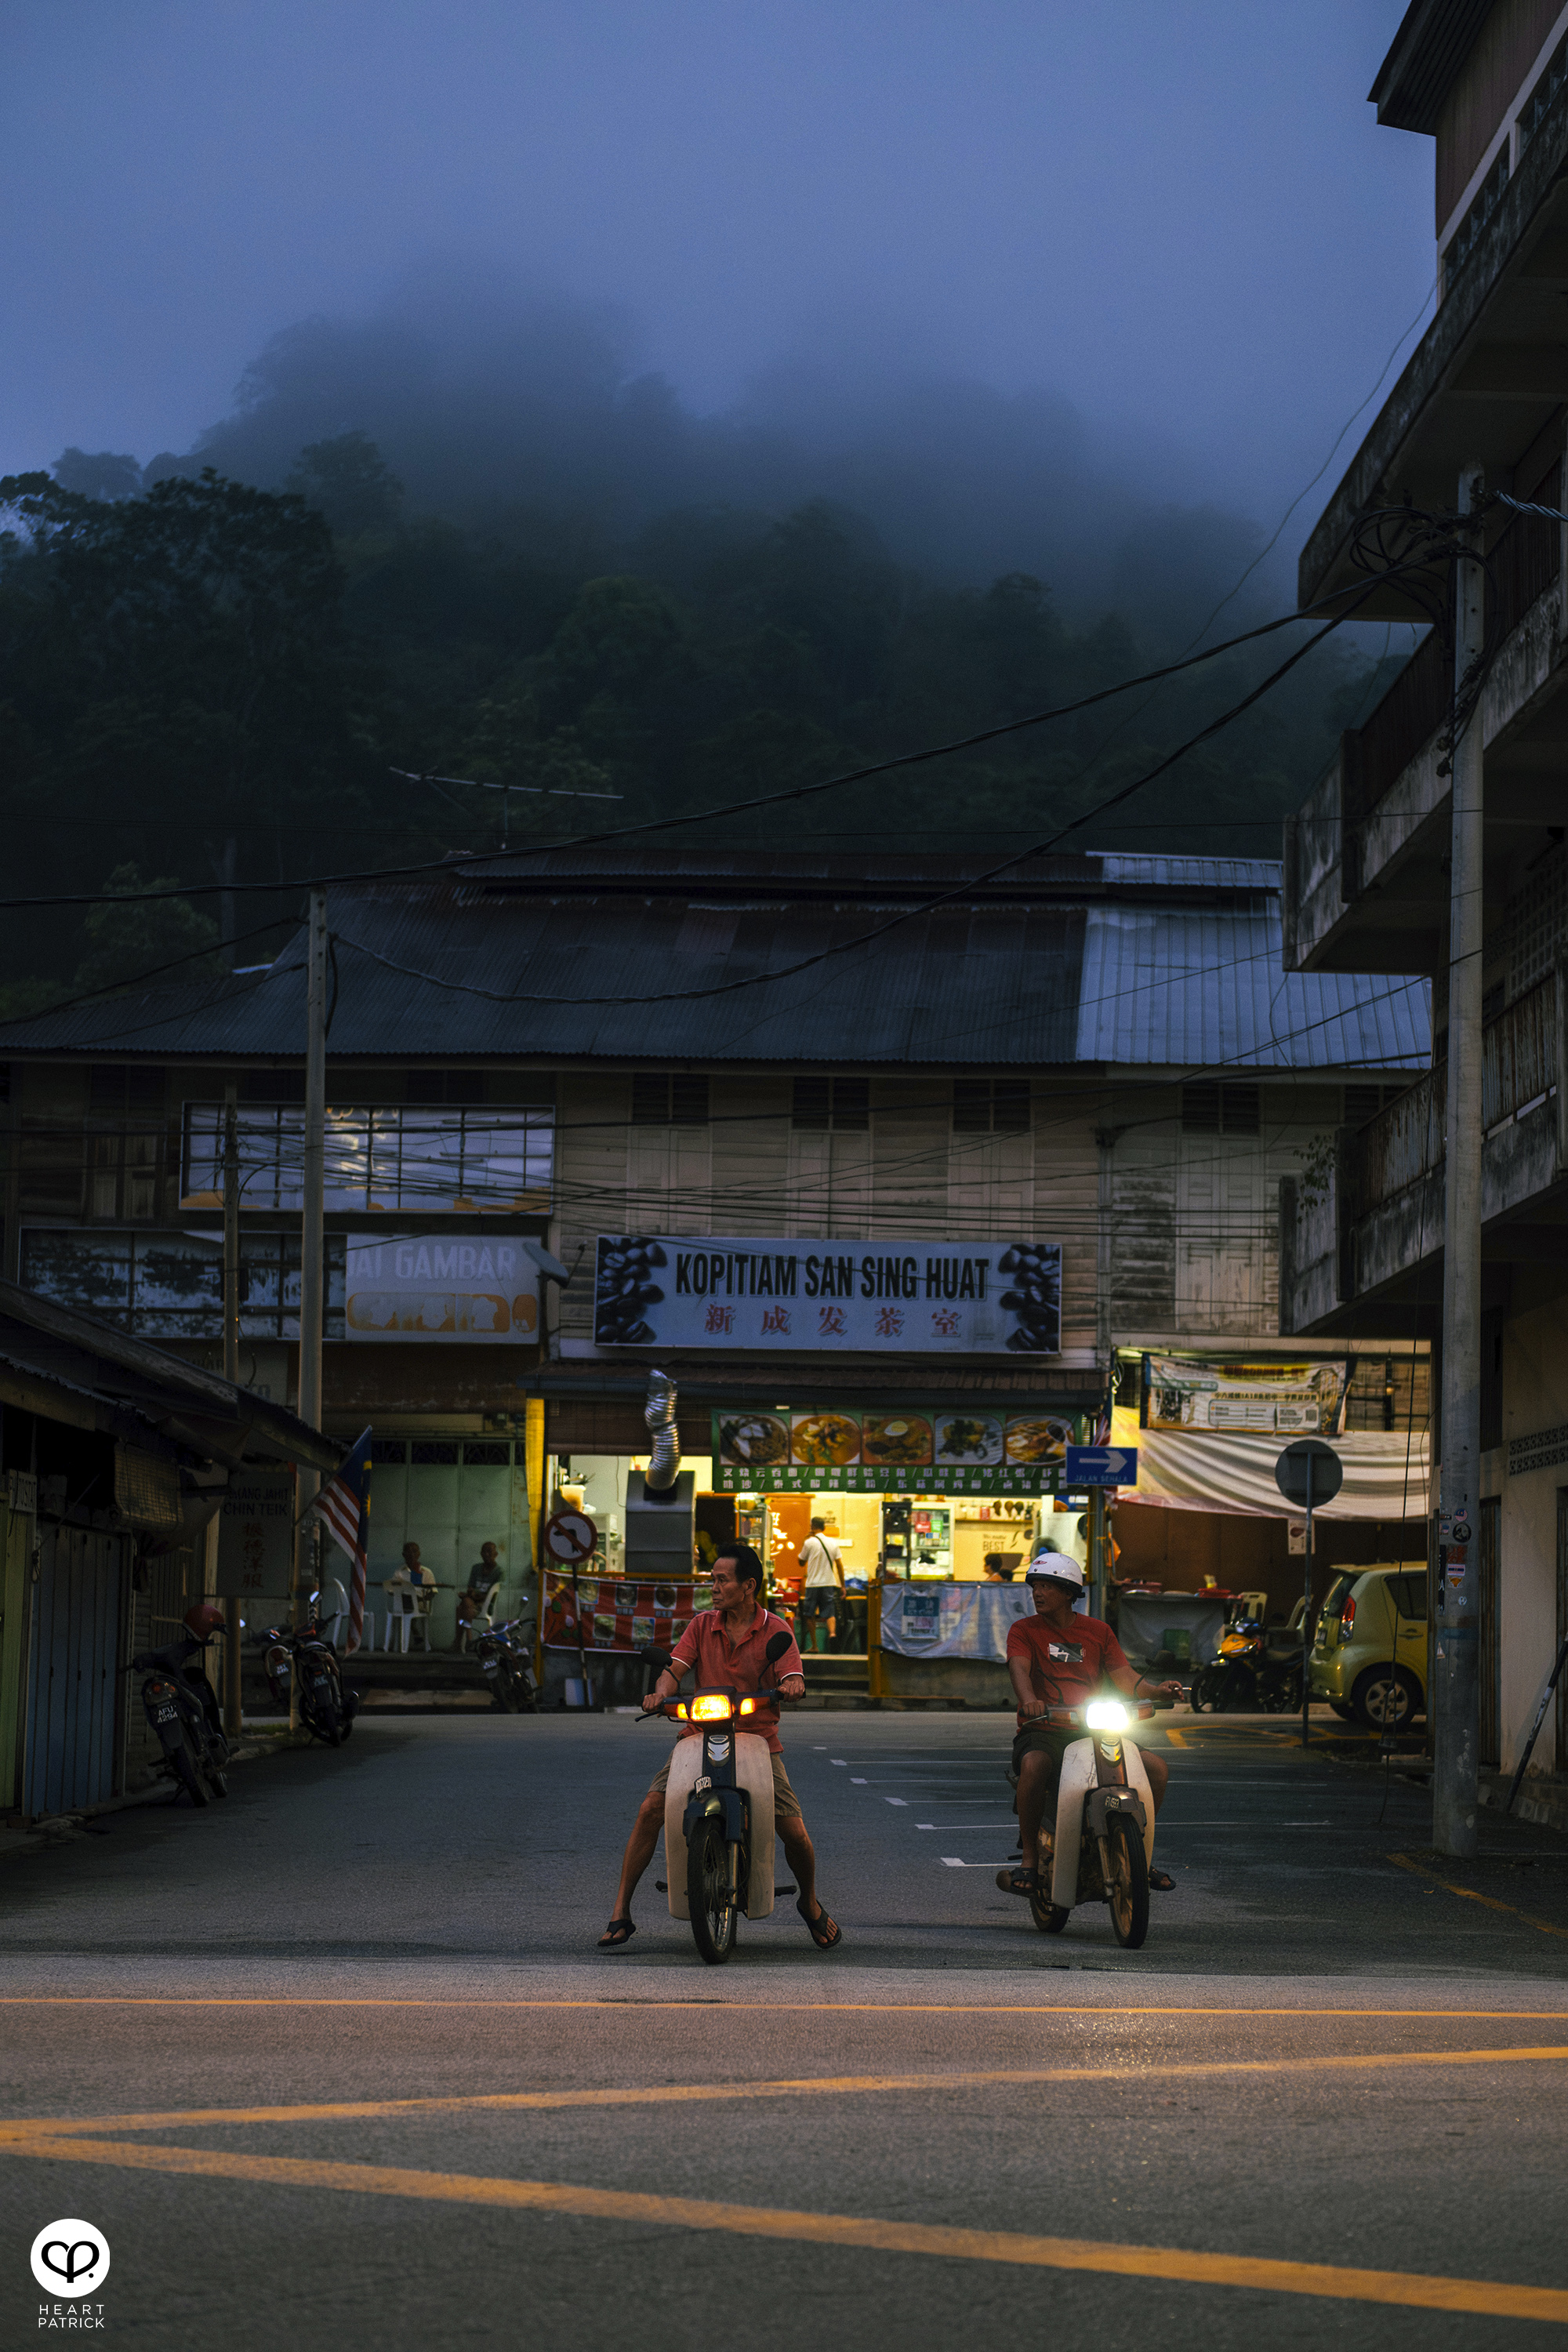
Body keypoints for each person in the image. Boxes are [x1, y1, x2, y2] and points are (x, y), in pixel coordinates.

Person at [598, 1541, 841, 1952]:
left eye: (721, 1580)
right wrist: (660, 1693)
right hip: (697, 1734)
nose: (713, 1587)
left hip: (758, 1739)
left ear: (749, 1586)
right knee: (651, 1809)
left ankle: (810, 1901)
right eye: (712, 1580)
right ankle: (621, 1910)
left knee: (794, 1833)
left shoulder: (777, 1630)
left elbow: (791, 1674)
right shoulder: (700, 1625)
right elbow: (673, 1671)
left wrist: (792, 1684)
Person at [999, 1554, 1180, 1900]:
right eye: (1035, 1586)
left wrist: (1157, 1691)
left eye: (1047, 1586)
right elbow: (1019, 1669)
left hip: (1093, 1728)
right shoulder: (1023, 1630)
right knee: (1034, 1765)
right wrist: (1028, 1700)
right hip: (1045, 1727)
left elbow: (1126, 1678)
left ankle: (1139, 1855)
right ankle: (1030, 1858)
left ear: (1069, 1592)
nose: (1038, 1593)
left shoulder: (1098, 1631)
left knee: (1156, 1769)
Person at [797, 1516, 844, 1650]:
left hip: (813, 1584)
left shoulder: (809, 1543)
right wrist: (843, 1585)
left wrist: (803, 1542)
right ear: (824, 1527)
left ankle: (815, 1646)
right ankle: (833, 1634)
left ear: (812, 1526)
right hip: (829, 1583)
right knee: (829, 1612)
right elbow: (839, 1564)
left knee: (809, 1614)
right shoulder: (833, 1543)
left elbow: (801, 1562)